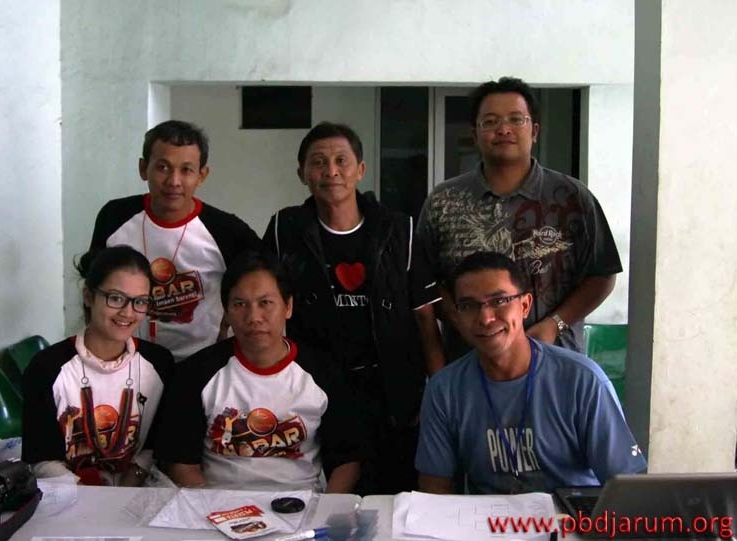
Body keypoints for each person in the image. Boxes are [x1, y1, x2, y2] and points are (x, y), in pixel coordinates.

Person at [263, 122, 444, 495]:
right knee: (326, 493)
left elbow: (425, 317)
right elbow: (265, 302)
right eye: (318, 162)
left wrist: (440, 392)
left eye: (341, 160)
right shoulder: (285, 229)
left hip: (391, 390)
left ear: (360, 169)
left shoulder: (400, 230)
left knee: (392, 494)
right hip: (315, 387)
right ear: (302, 174)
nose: (331, 171)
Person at [417, 76, 622, 357]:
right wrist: (464, 323)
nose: (504, 129)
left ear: (534, 131)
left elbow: (602, 274)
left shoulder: (572, 198)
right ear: (475, 134)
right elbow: (426, 282)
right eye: (490, 121)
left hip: (555, 360)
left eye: (516, 119)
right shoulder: (443, 201)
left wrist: (555, 324)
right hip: (471, 362)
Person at [415, 251, 646, 495]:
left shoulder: (582, 381)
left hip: (568, 514)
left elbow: (625, 486)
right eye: (469, 306)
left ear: (525, 305)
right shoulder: (444, 389)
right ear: (457, 315)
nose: (485, 318)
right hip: (488, 517)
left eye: (499, 301)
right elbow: (434, 487)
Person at [156, 250, 363, 492]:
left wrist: (326, 508)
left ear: (288, 306)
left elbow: (347, 461)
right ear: (226, 311)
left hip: (301, 504)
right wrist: (213, 508)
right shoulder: (196, 374)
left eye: (265, 303)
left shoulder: (323, 372)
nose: (254, 317)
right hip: (216, 504)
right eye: (240, 304)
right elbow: (181, 465)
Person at [89, 120, 262, 361]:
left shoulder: (226, 230)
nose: (174, 181)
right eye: (163, 167)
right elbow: (94, 288)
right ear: (143, 168)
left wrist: (230, 329)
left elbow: (262, 286)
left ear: (202, 175)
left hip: (201, 362)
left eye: (186, 170)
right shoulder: (114, 217)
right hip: (128, 359)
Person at [22, 245, 174, 486]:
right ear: (88, 296)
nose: (128, 312)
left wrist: (130, 482)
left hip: (138, 489)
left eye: (140, 302)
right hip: (69, 495)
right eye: (116, 298)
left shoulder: (160, 364)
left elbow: (157, 443)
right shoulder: (46, 368)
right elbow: (41, 459)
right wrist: (91, 497)